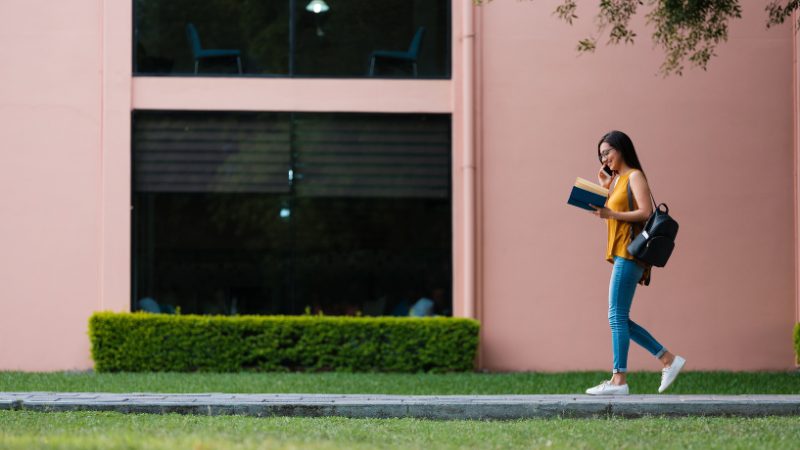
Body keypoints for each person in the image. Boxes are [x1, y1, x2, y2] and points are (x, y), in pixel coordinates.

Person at [586, 130, 685, 395]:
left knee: (616, 316)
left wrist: (611, 212)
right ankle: (668, 359)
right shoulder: (617, 180)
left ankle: (619, 380)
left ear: (621, 149)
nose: (604, 158)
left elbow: (645, 212)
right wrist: (604, 186)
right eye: (600, 155)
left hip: (631, 253)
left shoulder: (635, 176)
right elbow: (609, 210)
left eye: (607, 152)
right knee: (619, 317)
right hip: (621, 252)